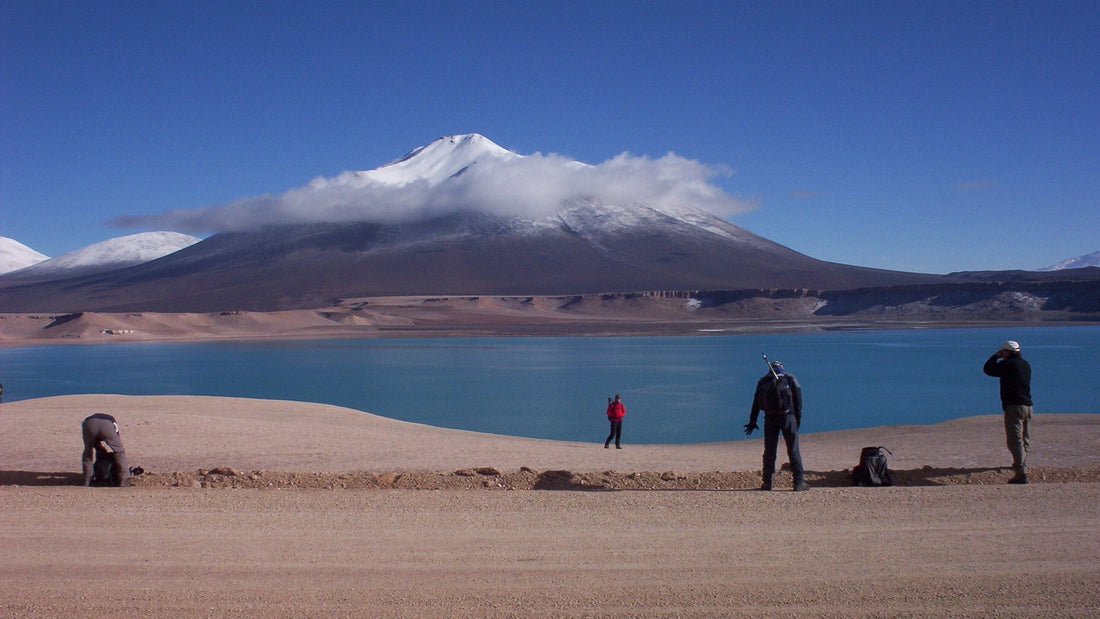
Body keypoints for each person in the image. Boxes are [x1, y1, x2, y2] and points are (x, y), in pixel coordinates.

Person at [744, 361, 808, 491]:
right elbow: (798, 401)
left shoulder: (763, 382)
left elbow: (756, 402)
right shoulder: (790, 379)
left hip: (770, 418)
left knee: (769, 451)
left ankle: (767, 482)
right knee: (793, 450)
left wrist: (752, 421)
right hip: (788, 417)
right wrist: (797, 419)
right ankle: (798, 482)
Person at [983, 340, 1033, 484]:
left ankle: (1020, 473)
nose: (1002, 354)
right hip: (1028, 406)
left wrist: (995, 356)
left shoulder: (1007, 365)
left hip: (1014, 406)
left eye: (1003, 351)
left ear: (1008, 352)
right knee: (1025, 438)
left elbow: (988, 370)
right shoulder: (1025, 365)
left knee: (1014, 440)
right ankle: (1023, 463)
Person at [81, 413, 130, 487]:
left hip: (88, 423)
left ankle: (87, 479)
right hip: (107, 424)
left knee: (88, 451)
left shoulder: (87, 420)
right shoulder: (112, 421)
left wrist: (101, 450)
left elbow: (95, 445)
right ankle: (124, 479)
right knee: (119, 451)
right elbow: (117, 440)